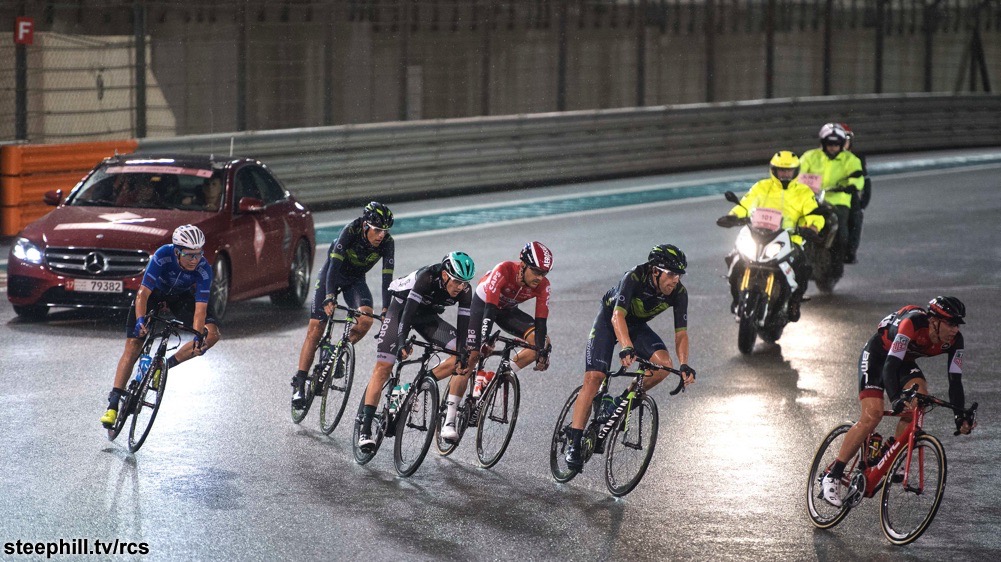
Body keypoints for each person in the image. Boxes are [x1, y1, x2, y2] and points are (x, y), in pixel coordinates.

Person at [821, 296, 974, 507]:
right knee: (873, 414)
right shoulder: (912, 324)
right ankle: (834, 474)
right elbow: (890, 366)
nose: (955, 329)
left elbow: (955, 380)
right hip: (878, 357)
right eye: (951, 323)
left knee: (918, 401)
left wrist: (959, 415)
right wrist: (896, 399)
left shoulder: (956, 341)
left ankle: (891, 452)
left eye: (958, 324)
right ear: (934, 321)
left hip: (903, 361)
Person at [564, 245, 697, 471]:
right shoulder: (634, 277)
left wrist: (684, 363)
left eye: (679, 275)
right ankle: (574, 443)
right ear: (655, 271)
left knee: (664, 366)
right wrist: (626, 347)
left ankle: (619, 404)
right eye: (671, 274)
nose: (676, 280)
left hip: (635, 325)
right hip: (610, 320)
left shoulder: (679, 293)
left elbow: (681, 333)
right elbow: (617, 316)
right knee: (595, 377)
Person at [100, 224, 221, 427]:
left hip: (180, 297)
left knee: (212, 334)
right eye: (189, 255)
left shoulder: (203, 269)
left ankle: (162, 367)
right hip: (154, 294)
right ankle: (113, 404)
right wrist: (140, 319)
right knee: (133, 344)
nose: (195, 260)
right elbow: (143, 294)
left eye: (199, 254)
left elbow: (200, 310)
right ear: (177, 251)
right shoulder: (163, 255)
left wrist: (198, 335)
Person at [356, 252, 476, 452]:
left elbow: (464, 324)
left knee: (464, 355)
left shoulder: (464, 290)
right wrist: (401, 342)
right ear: (444, 275)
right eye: (456, 281)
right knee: (384, 367)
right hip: (401, 310)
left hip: (427, 317)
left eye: (464, 282)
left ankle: (417, 385)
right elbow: (408, 314)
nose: (459, 287)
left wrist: (463, 352)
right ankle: (365, 429)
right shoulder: (427, 277)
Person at [439, 241, 554, 441]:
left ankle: (495, 378)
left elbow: (541, 321)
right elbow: (490, 310)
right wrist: (483, 341)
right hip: (484, 306)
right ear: (523, 265)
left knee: (542, 344)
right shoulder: (504, 270)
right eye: (536, 271)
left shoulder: (543, 285)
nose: (539, 277)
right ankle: (449, 420)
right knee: (472, 356)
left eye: (544, 273)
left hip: (507, 311)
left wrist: (542, 352)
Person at [291, 202, 396, 408]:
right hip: (332, 274)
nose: (381, 235)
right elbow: (333, 266)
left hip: (355, 280)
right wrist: (329, 296)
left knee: (366, 320)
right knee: (316, 327)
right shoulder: (350, 231)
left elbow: (387, 279)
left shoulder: (387, 243)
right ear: (365, 226)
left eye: (385, 231)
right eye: (377, 230)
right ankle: (300, 382)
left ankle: (336, 352)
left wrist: (386, 309)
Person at [716, 151, 824, 321]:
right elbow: (745, 205)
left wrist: (812, 227)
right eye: (781, 170)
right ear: (773, 170)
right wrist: (732, 216)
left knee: (803, 266)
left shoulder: (804, 192)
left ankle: (795, 301)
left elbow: (814, 214)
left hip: (790, 238)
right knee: (734, 257)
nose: (785, 174)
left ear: (796, 171)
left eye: (788, 171)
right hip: (758, 234)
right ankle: (737, 298)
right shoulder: (761, 187)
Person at [798, 123, 865, 265]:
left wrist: (851, 186)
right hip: (810, 199)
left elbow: (857, 177)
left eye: (836, 144)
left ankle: (839, 259)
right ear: (823, 143)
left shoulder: (851, 159)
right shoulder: (810, 156)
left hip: (838, 200)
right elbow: (798, 172)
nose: (833, 147)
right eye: (829, 144)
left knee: (841, 230)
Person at [839, 123, 870, 264]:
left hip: (847, 196)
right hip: (826, 196)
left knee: (856, 216)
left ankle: (850, 251)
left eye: (845, 139)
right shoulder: (819, 159)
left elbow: (865, 181)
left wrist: (863, 203)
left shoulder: (856, 159)